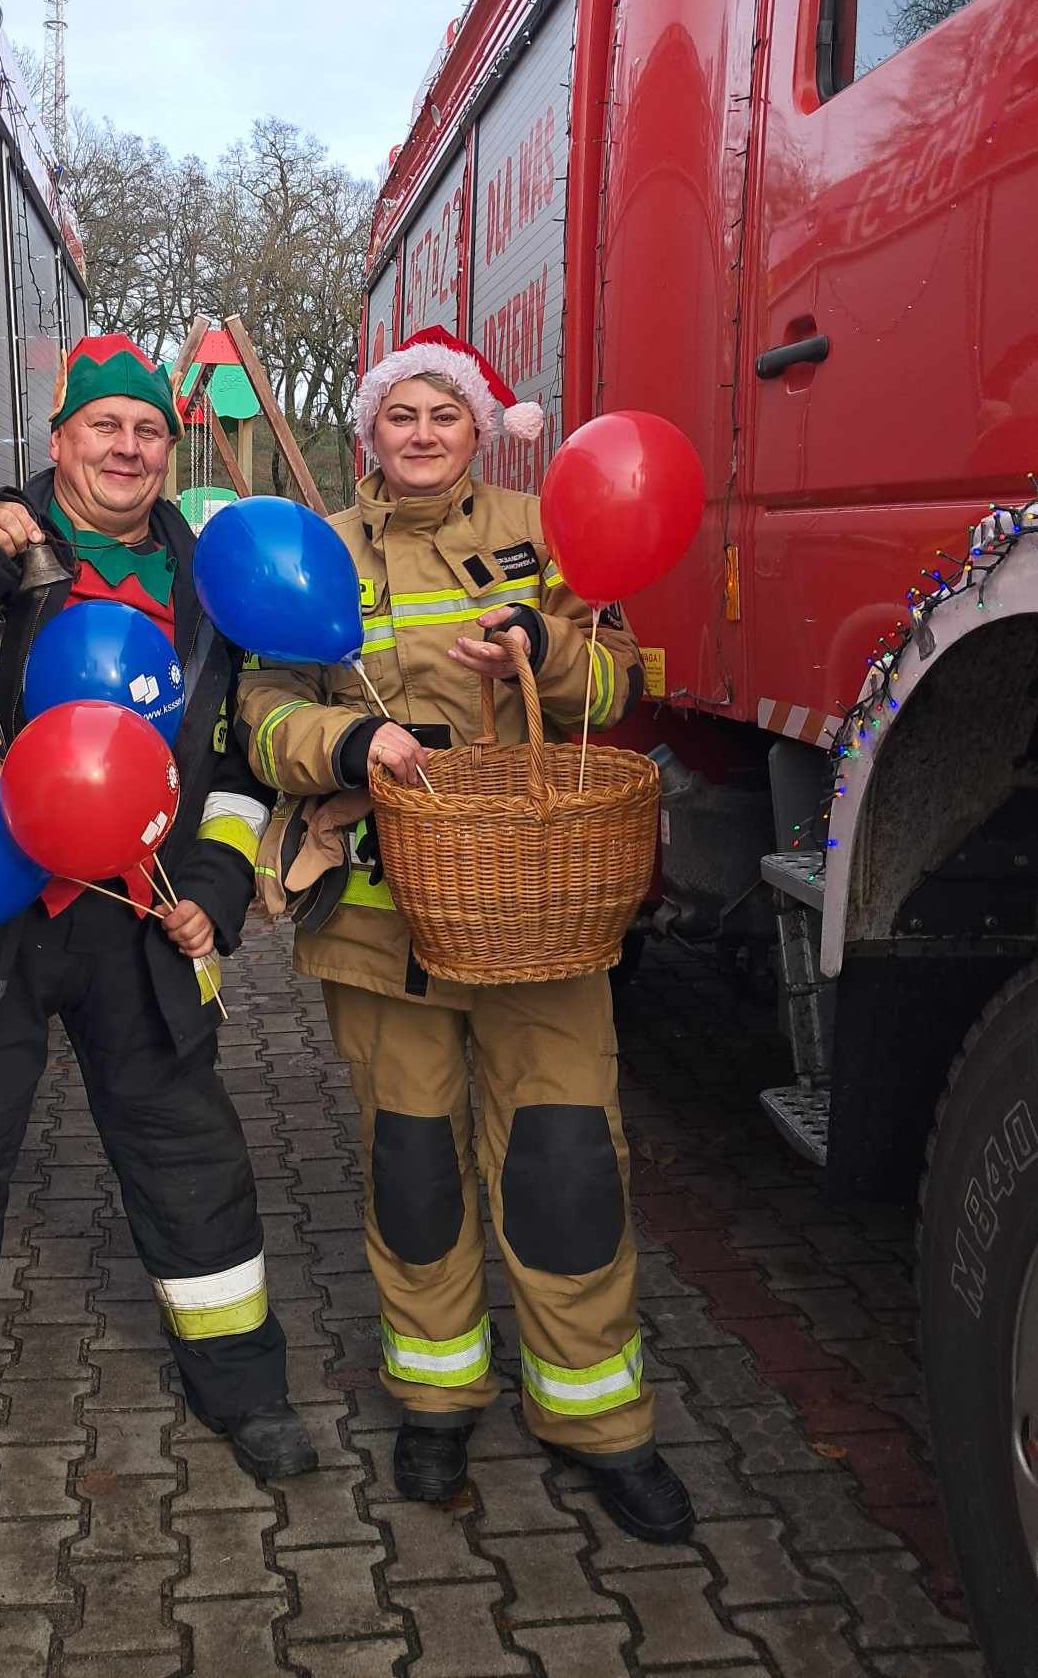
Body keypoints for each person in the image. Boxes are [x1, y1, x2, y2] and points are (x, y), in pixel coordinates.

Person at [0, 332, 316, 1506]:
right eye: (104, 427)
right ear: (60, 440)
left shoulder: (206, 584)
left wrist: (217, 894)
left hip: (139, 919)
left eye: (148, 430)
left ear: (169, 448)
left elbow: (235, 768)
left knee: (192, 1157)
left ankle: (247, 1390)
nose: (127, 448)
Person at [236, 326, 693, 1543]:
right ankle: (436, 1399)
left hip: (539, 913)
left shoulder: (546, 532)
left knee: (565, 1164)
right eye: (402, 414)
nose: (423, 433)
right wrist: (347, 742)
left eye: (445, 412)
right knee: (414, 1168)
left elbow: (622, 683)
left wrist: (544, 649)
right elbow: (259, 712)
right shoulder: (324, 549)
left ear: (478, 428)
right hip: (381, 922)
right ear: (369, 431)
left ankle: (597, 1418)